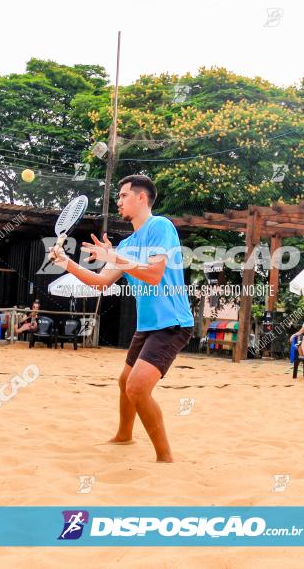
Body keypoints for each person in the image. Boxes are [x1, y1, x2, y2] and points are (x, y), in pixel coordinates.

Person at [50, 174, 194, 463]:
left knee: (137, 388)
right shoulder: (126, 245)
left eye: (123, 195)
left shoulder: (160, 226)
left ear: (142, 198)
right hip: (147, 326)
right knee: (124, 382)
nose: (118, 201)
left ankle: (165, 458)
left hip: (173, 324)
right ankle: (124, 435)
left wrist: (114, 257)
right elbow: (101, 283)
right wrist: (67, 263)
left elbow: (154, 275)